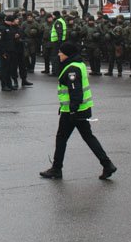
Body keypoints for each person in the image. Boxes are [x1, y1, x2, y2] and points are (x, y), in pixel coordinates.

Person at [39, 42, 117, 181]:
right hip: (82, 109)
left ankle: (56, 169)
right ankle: (107, 164)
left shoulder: (72, 69)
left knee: (62, 138)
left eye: (61, 52)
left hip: (73, 111)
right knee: (88, 137)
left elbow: (76, 91)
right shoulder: (78, 64)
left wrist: (73, 111)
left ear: (67, 54)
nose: (59, 54)